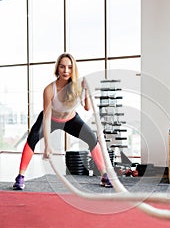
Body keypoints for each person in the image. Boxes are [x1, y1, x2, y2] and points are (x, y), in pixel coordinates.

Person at [13, 53, 112, 190]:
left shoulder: (78, 86)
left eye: (70, 67)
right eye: (62, 67)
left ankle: (104, 176)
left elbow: (88, 108)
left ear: (74, 69)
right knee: (32, 138)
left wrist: (86, 91)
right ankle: (20, 176)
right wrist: (47, 145)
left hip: (71, 120)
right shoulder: (49, 90)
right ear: (57, 69)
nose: (66, 71)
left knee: (91, 138)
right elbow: (46, 118)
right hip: (51, 119)